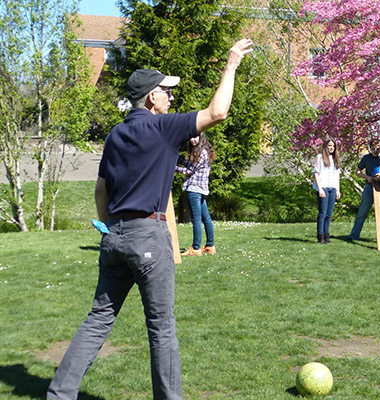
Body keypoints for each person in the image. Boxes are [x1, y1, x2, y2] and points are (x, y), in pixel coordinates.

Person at [46, 39, 255, 400]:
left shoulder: (115, 134)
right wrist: (231, 64)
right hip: (149, 237)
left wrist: (111, 228)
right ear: (151, 98)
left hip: (114, 237)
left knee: (98, 320)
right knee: (161, 328)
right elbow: (217, 112)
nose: (172, 98)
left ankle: (59, 394)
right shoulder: (162, 128)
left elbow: (100, 192)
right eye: (167, 92)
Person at [175, 132, 216, 256]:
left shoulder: (200, 152)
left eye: (195, 137)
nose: (193, 140)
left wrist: (174, 168)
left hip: (194, 188)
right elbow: (190, 164)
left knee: (197, 219)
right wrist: (177, 158)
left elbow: (189, 171)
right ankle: (210, 246)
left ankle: (196, 248)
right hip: (202, 189)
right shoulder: (205, 151)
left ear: (201, 137)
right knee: (206, 218)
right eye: (191, 137)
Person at [347, 138, 380, 241]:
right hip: (370, 186)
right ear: (370, 149)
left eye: (378, 148)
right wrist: (368, 177)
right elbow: (358, 172)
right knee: (363, 211)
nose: (375, 150)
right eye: (373, 148)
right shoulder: (366, 158)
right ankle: (354, 234)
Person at [313, 138, 341, 244]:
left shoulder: (335, 159)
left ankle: (326, 234)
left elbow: (337, 175)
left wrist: (337, 190)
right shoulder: (320, 157)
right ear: (325, 146)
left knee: (329, 214)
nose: (331, 148)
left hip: (332, 188)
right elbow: (316, 173)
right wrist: (320, 189)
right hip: (323, 187)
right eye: (329, 145)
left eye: (333, 146)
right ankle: (320, 236)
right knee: (322, 213)